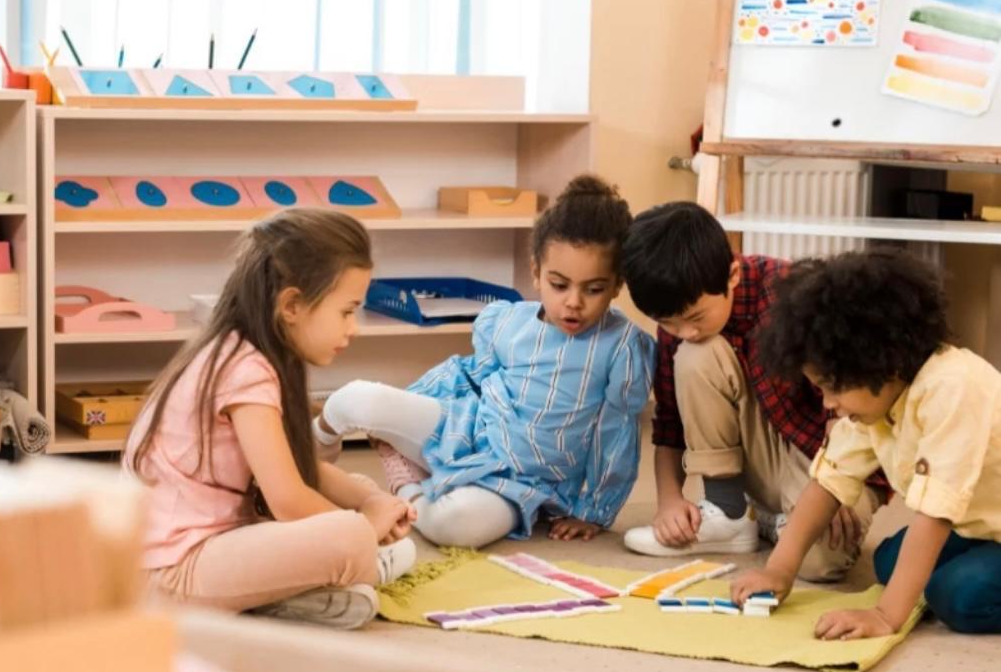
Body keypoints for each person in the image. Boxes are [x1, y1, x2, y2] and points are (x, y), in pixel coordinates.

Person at [313, 175, 655, 549]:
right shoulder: (507, 321)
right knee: (354, 398)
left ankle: (405, 486)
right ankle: (305, 459)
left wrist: (594, 511)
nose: (574, 302)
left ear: (617, 284)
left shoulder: (622, 345)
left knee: (454, 525)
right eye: (559, 285)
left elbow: (616, 434)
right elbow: (464, 376)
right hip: (468, 429)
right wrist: (407, 405)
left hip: (525, 483)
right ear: (536, 271)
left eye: (594, 289)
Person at [125, 209, 416, 630]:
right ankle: (358, 567)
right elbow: (287, 500)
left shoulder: (246, 353)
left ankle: (291, 593)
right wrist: (367, 526)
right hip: (176, 572)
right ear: (292, 305)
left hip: (210, 546)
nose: (354, 328)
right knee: (349, 536)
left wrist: (370, 501)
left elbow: (294, 468)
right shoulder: (245, 370)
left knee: (357, 491)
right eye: (347, 311)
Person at [731, 250, 1001, 638]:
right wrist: (779, 570)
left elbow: (936, 514)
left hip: (977, 525)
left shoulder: (953, 388)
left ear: (882, 362)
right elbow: (828, 483)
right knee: (889, 562)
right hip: (983, 525)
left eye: (832, 388)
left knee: (958, 596)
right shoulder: (877, 400)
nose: (827, 403)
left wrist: (885, 616)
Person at [620, 202, 879, 580]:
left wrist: (837, 482)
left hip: (828, 452)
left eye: (694, 317)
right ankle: (729, 513)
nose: (684, 332)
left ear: (733, 275)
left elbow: (847, 406)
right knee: (696, 354)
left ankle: (772, 520)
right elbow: (669, 424)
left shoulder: (792, 294)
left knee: (817, 562)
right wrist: (669, 501)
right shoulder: (682, 326)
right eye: (668, 323)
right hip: (762, 454)